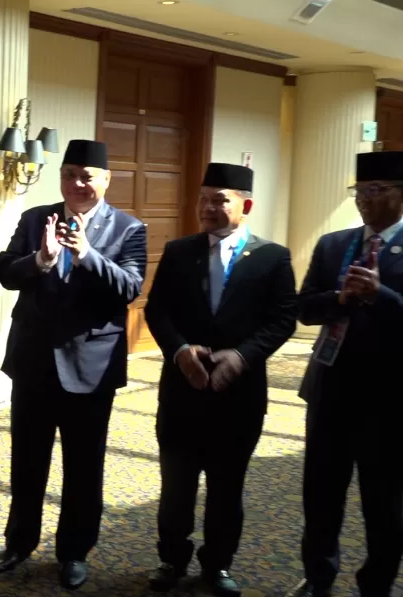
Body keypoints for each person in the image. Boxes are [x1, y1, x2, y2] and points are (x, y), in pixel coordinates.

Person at [0, 139, 146, 589]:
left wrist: (85, 255)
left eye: (87, 176)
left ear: (106, 180)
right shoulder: (35, 218)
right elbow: (5, 273)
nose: (77, 184)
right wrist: (40, 259)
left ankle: (74, 552)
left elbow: (129, 288)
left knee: (83, 467)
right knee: (27, 462)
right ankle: (18, 543)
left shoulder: (128, 228)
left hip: (91, 368)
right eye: (69, 174)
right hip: (34, 362)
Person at [143, 163, 297, 597]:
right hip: (182, 391)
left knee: (227, 487)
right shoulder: (178, 251)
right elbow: (157, 311)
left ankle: (218, 564)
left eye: (220, 200)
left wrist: (243, 357)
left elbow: (283, 318)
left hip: (239, 395)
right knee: (176, 486)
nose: (208, 208)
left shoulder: (272, 256)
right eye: (203, 199)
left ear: (245, 205)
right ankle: (171, 558)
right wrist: (179, 351)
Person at [288, 150, 403, 597]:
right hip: (330, 392)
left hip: (389, 400)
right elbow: (304, 308)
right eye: (360, 191)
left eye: (377, 191)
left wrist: (382, 295)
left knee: (383, 503)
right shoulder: (335, 244)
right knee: (320, 495)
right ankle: (318, 577)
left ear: (400, 194)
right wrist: (338, 299)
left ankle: (376, 584)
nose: (365, 201)